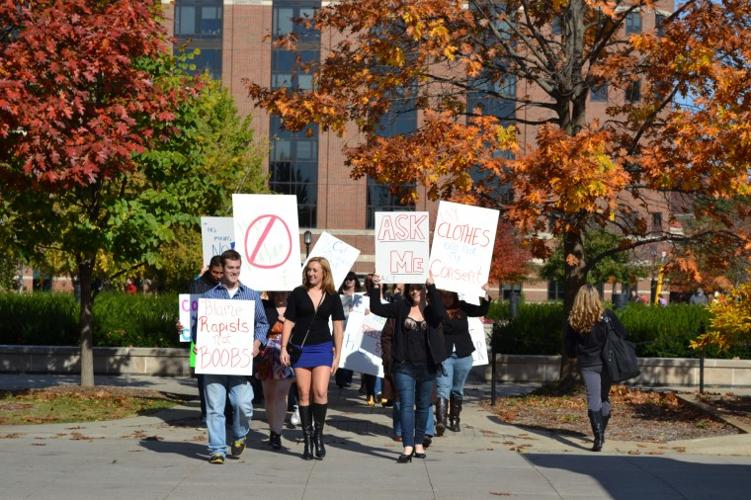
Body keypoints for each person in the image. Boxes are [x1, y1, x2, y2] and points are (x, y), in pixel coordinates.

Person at [367, 273, 446, 463]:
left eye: (419, 288)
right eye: (412, 288)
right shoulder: (401, 307)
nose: (415, 292)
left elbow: (440, 314)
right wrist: (376, 287)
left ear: (424, 290)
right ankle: (408, 446)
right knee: (406, 405)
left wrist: (432, 286)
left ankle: (419, 443)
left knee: (423, 406)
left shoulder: (430, 310)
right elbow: (376, 307)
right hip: (404, 365)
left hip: (427, 366)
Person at [199, 249, 269, 464]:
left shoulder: (251, 295)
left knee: (242, 404)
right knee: (215, 408)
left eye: (237, 268)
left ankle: (239, 435)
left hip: (240, 362)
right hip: (214, 362)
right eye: (230, 268)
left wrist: (257, 343)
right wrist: (188, 333)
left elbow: (262, 323)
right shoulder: (210, 296)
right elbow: (199, 328)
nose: (234, 272)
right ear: (223, 269)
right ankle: (217, 450)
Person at [280, 257, 345, 460]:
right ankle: (307, 441)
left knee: (320, 390)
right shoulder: (298, 293)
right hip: (301, 349)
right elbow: (289, 322)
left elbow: (337, 327)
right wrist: (283, 348)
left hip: (323, 348)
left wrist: (338, 355)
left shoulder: (332, 296)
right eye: (309, 270)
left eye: (315, 270)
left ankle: (319, 436)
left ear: (324, 272)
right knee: (303, 393)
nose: (311, 274)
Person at [564, 284, 627, 452]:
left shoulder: (574, 319)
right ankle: (601, 433)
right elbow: (622, 334)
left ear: (579, 299)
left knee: (594, 399)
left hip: (588, 364)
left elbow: (569, 349)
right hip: (608, 363)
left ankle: (598, 437)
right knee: (604, 398)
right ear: (597, 298)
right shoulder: (607, 316)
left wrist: (576, 352)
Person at [435, 286, 490, 436]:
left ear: (454, 296)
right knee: (443, 388)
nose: (446, 299)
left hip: (463, 354)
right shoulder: (436, 309)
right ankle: (441, 421)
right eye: (443, 296)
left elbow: (480, 311)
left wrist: (485, 296)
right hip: (444, 355)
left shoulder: (463, 307)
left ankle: (454, 419)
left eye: (449, 296)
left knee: (457, 389)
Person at [257, 291, 295, 450]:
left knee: (282, 393)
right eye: (277, 291)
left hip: (287, 353)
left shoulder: (294, 306)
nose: (280, 294)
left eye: (283, 291)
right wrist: (277, 319)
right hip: (267, 353)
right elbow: (259, 325)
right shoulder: (264, 306)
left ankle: (277, 433)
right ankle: (273, 429)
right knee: (270, 395)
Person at [335, 271, 360, 389]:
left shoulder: (361, 296)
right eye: (347, 279)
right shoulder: (338, 295)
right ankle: (340, 378)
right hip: (341, 327)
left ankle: (348, 378)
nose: (348, 281)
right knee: (339, 352)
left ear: (355, 281)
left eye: (351, 279)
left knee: (350, 353)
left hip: (354, 329)